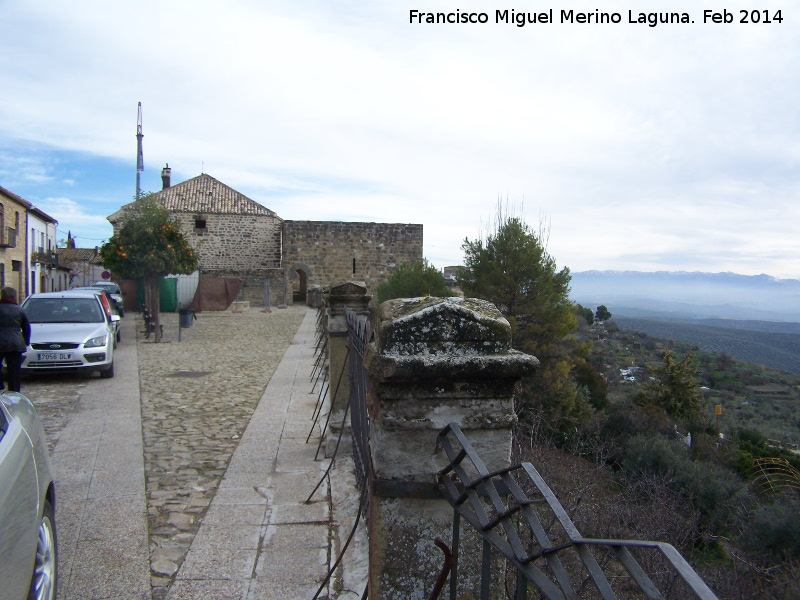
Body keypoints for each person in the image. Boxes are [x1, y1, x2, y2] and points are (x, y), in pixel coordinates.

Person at [0, 286, 31, 392]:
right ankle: (14, 392)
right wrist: (26, 341)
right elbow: (26, 327)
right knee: (14, 370)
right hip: (15, 343)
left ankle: (1, 388)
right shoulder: (20, 310)